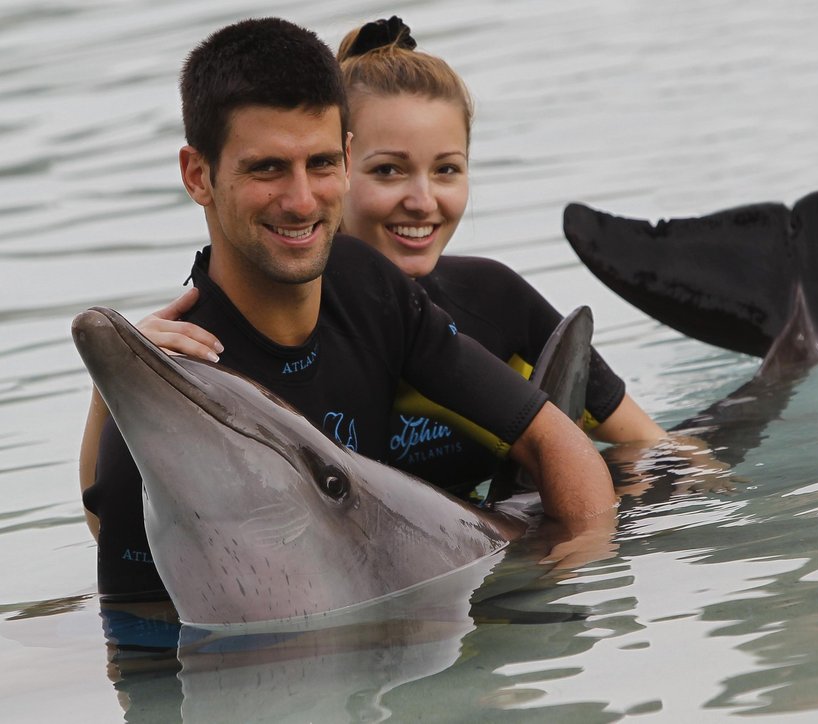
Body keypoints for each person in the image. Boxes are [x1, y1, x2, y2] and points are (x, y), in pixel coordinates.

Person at [79, 17, 615, 600]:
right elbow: (137, 636)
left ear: (347, 154)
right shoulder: (177, 394)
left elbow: (554, 440)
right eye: (267, 168)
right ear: (198, 175)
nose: (302, 200)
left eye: (322, 163)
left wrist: (568, 584)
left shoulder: (365, 284)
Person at [331, 17, 667, 494]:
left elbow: (656, 448)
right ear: (334, 170)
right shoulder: (290, 332)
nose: (423, 200)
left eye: (447, 169)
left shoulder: (492, 299)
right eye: (388, 170)